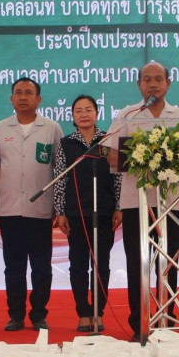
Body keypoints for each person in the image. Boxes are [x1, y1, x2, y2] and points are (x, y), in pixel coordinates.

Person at [113, 61, 179, 342]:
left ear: (168, 83)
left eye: (159, 79)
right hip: (136, 202)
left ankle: (167, 319)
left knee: (168, 263)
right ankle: (140, 322)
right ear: (139, 84)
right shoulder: (127, 115)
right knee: (138, 263)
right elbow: (113, 156)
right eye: (147, 79)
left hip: (172, 202)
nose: (153, 84)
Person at [0, 77, 63, 331]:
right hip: (8, 208)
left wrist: (58, 205)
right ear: (11, 99)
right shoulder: (0, 128)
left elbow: (60, 169)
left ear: (38, 99)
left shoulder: (51, 128)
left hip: (40, 210)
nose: (23, 97)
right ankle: (16, 315)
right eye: (18, 92)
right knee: (14, 267)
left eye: (28, 93)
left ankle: (39, 314)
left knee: (41, 267)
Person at [53, 95, 122, 332]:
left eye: (88, 109)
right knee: (78, 264)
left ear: (96, 113)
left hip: (104, 211)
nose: (84, 114)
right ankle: (83, 312)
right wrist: (60, 211)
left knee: (101, 264)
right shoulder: (65, 144)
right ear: (72, 116)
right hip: (76, 213)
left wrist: (119, 207)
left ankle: (98, 312)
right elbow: (60, 178)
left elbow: (117, 176)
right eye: (79, 111)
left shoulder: (108, 140)